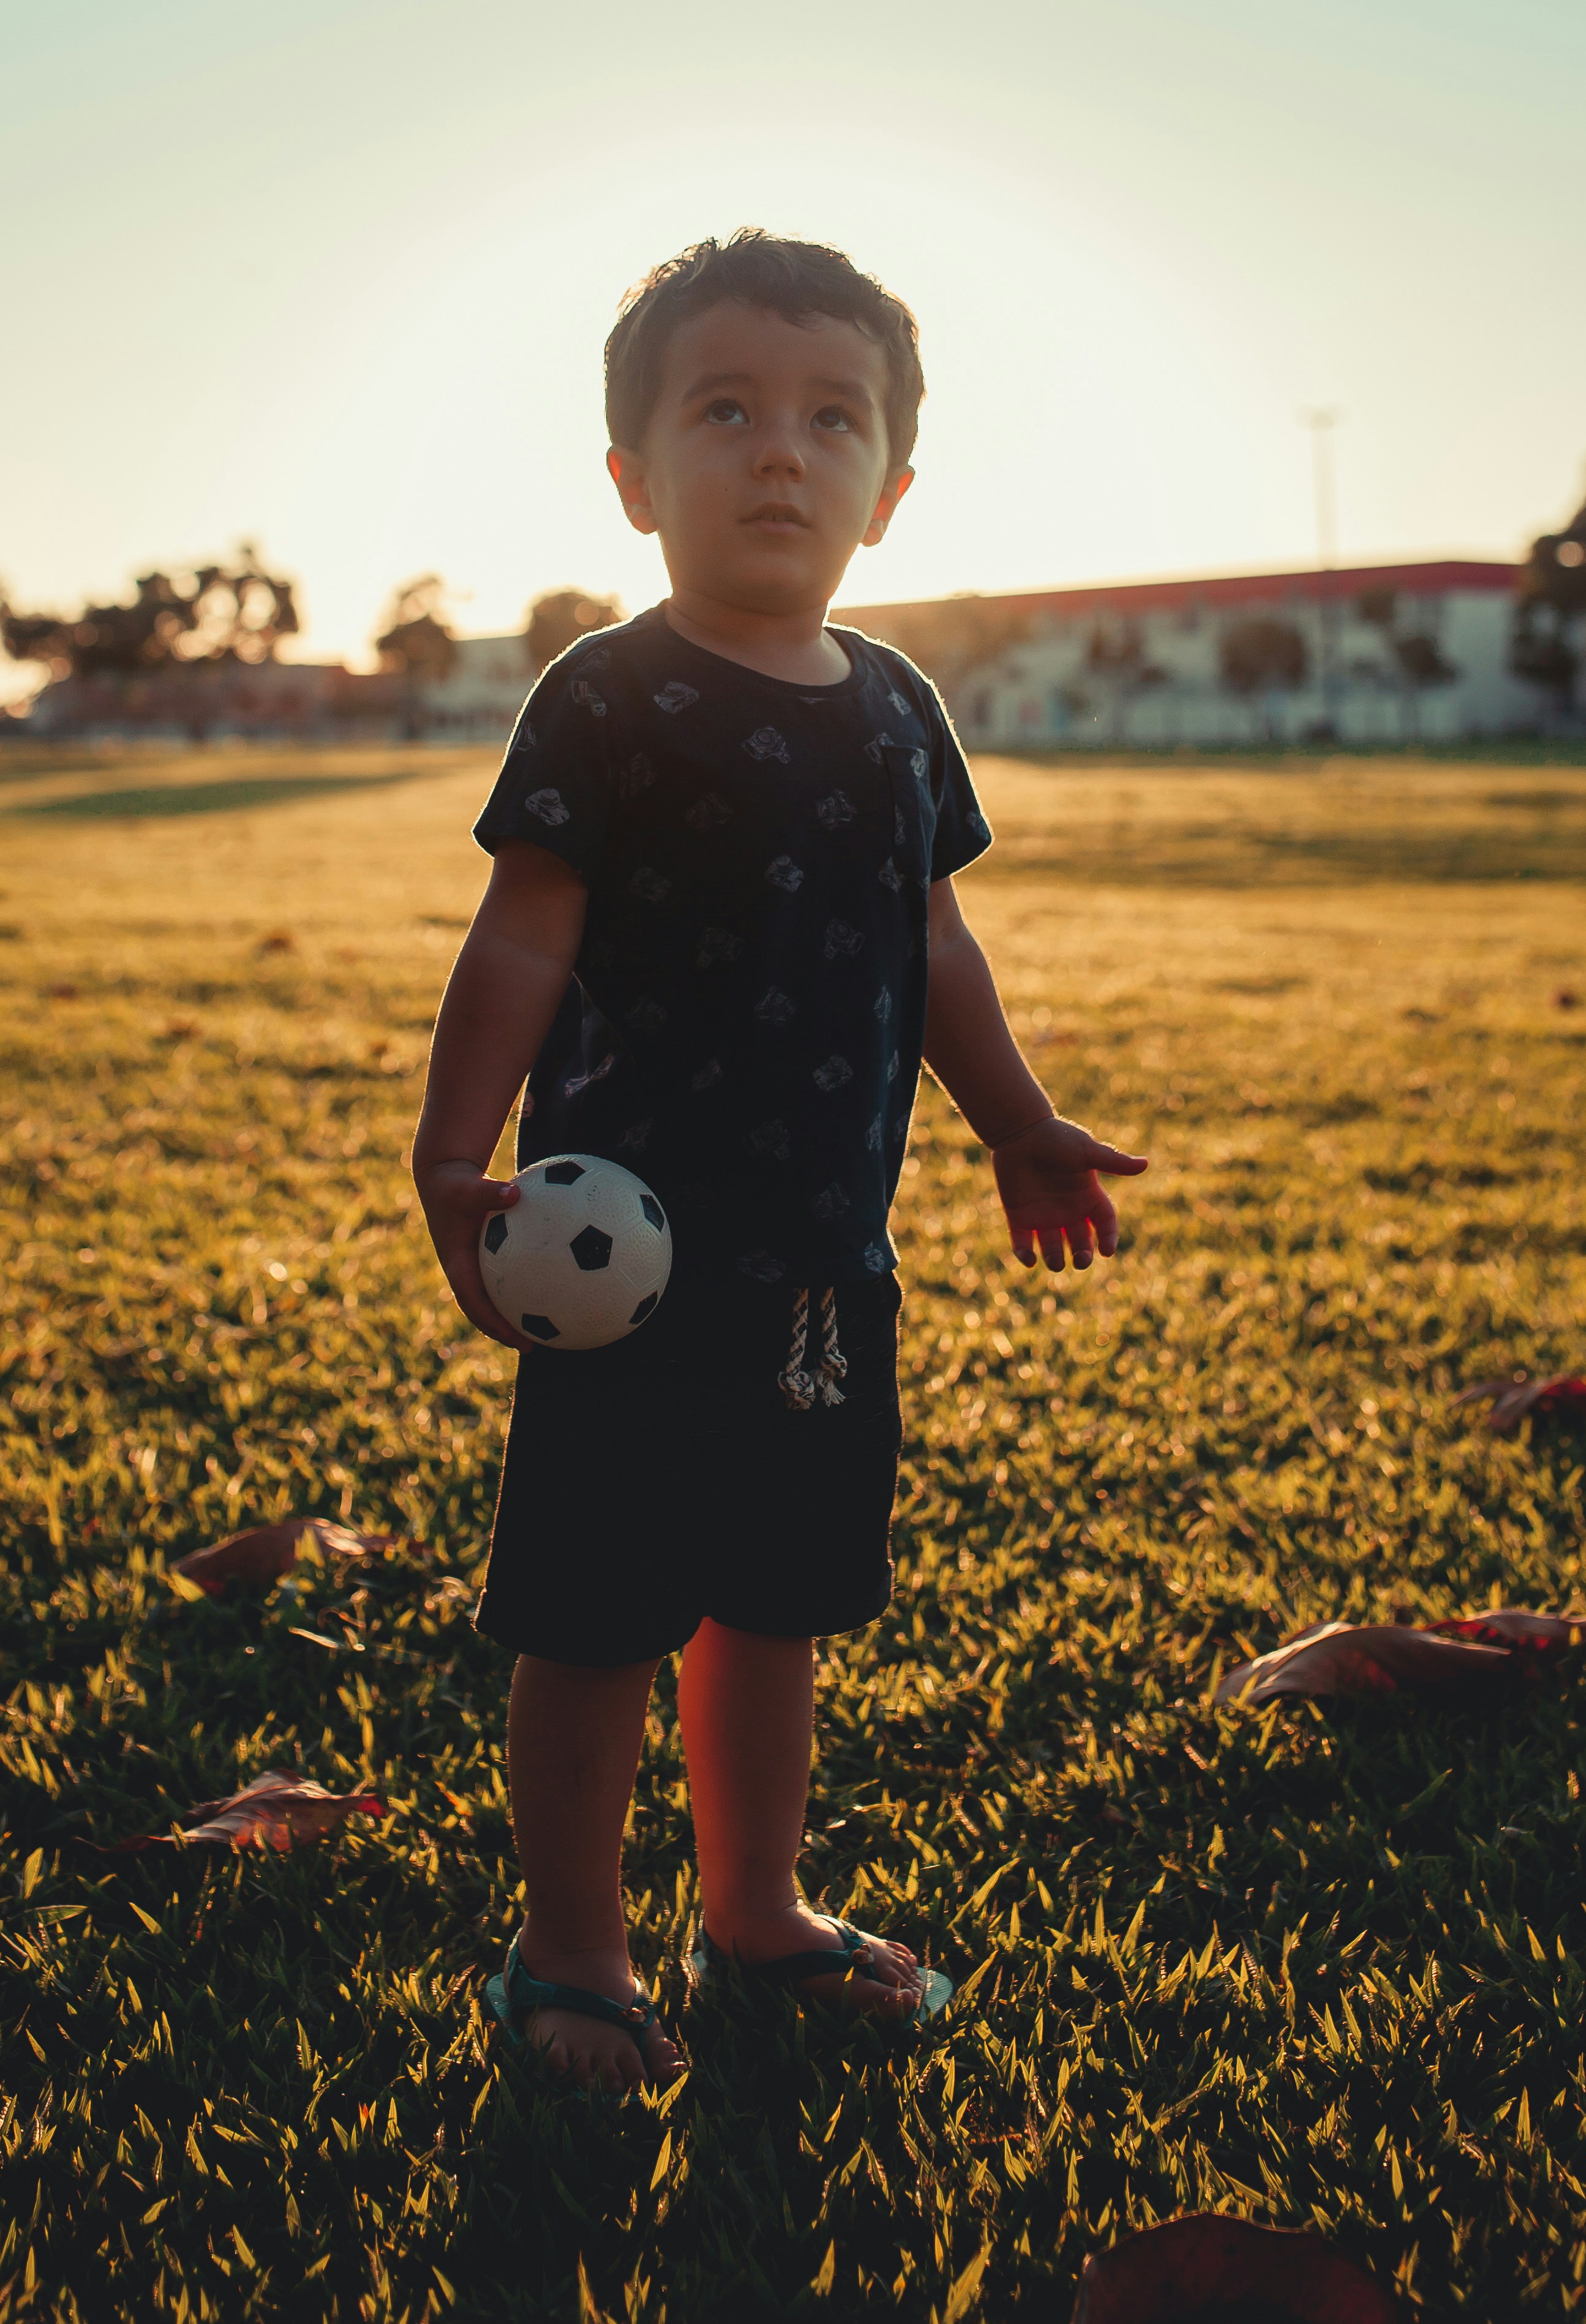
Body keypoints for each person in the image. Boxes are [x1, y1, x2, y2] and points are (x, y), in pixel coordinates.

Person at [410, 230, 1144, 2088]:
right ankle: (571, 1959)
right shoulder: (608, 691)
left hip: (825, 1273)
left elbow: (932, 946)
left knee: (776, 1605)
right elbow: (522, 933)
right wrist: (451, 1149)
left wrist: (1022, 1123)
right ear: (633, 476)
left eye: (832, 420)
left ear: (891, 491)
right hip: (625, 1269)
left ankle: (758, 1911)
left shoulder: (897, 710)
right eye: (722, 410)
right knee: (592, 1624)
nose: (777, 454)